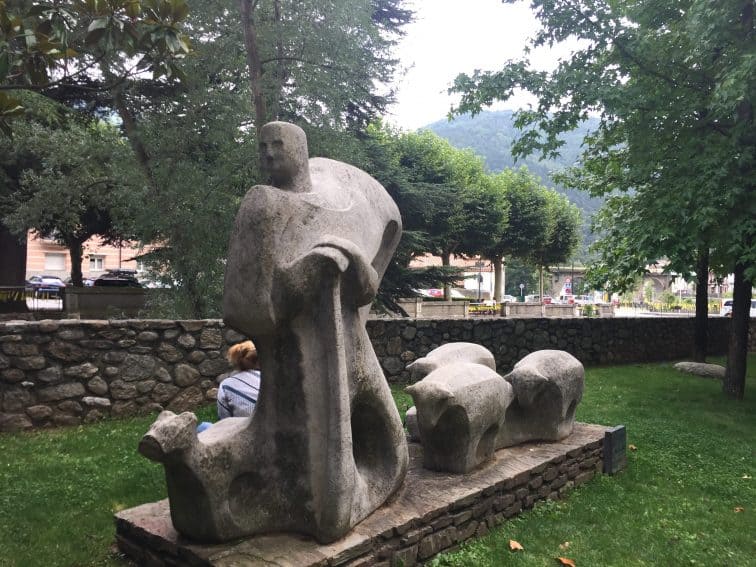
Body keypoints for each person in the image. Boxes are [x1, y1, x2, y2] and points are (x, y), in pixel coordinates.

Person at [196, 340, 261, 433]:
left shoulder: (226, 385)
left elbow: (224, 422)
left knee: (203, 426)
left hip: (243, 435)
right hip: (273, 433)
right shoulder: (271, 380)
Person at [217, 340, 261, 419]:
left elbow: (224, 420)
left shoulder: (226, 385)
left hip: (243, 430)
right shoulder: (273, 380)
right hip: (277, 427)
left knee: (203, 426)